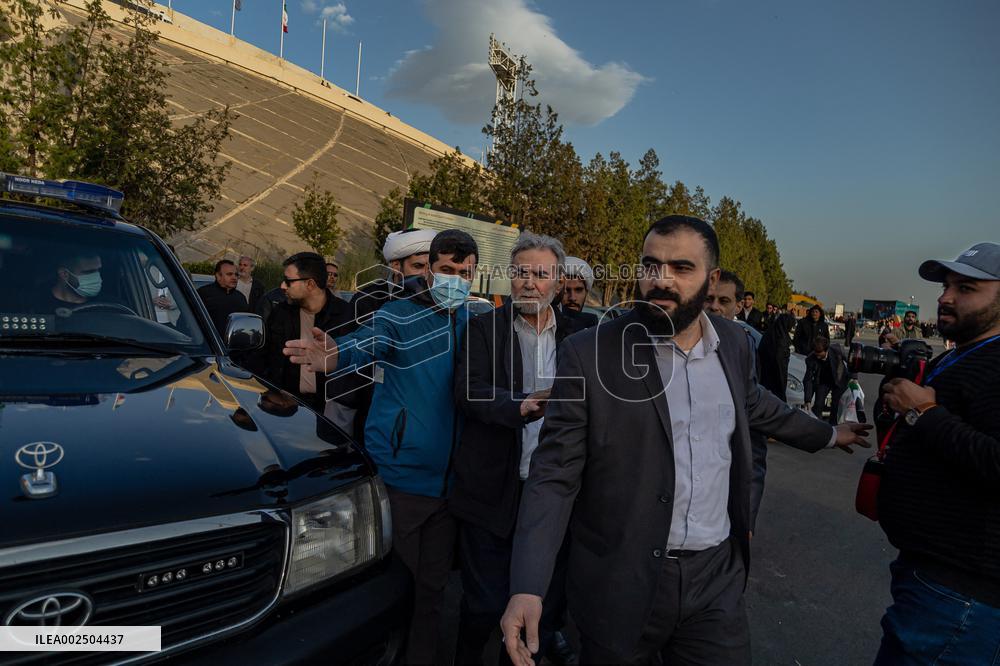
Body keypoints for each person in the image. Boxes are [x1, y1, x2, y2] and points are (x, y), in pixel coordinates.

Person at [499, 215, 871, 666]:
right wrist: (528, 585)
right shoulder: (590, 353)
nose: (661, 280)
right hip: (621, 579)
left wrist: (829, 434)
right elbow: (554, 476)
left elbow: (758, 405)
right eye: (650, 265)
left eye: (681, 267)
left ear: (711, 278)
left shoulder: (733, 343)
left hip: (715, 579)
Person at [284, 230, 478, 666]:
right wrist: (333, 357)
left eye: (466, 273)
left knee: (432, 594)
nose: (457, 280)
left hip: (450, 489)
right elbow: (363, 344)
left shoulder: (474, 323)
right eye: (448, 270)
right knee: (392, 594)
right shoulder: (397, 315)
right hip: (402, 481)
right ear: (429, 269)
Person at [452, 233, 585, 665]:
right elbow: (467, 392)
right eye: (521, 273)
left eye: (540, 274)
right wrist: (519, 406)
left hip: (552, 493)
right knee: (484, 606)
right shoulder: (483, 328)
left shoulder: (583, 337)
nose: (529, 283)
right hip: (492, 490)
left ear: (559, 281)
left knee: (538, 610)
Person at [874, 242, 1000, 665]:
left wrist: (924, 412)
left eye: (966, 288)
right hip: (929, 578)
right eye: (946, 286)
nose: (945, 297)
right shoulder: (965, 354)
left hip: (959, 597)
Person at [251, 252, 358, 431]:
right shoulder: (280, 313)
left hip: (330, 414)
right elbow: (263, 356)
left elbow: (356, 368)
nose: (283, 286)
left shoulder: (347, 315)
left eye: (289, 281)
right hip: (285, 410)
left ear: (310, 284)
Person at [705, 270, 768, 532]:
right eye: (709, 299)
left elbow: (755, 428)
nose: (715, 308)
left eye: (724, 301)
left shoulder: (752, 344)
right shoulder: (677, 341)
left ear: (739, 306)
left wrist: (747, 518)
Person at [351, 227, 436, 322]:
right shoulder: (366, 301)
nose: (425, 274)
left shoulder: (436, 299)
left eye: (429, 268)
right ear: (396, 266)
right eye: (417, 266)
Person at [37, 252, 104, 312]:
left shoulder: (105, 305)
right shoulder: (37, 303)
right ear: (64, 274)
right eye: (88, 272)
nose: (97, 277)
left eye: (98, 271)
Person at [803, 336, 849, 424]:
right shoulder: (810, 359)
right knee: (818, 405)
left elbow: (850, 362)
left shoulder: (836, 350)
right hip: (823, 382)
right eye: (815, 352)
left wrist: (854, 378)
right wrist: (807, 400)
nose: (817, 355)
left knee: (835, 406)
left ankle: (833, 428)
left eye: (819, 352)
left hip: (839, 380)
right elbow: (807, 379)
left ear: (826, 350)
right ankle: (817, 426)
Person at [197, 259, 247, 337]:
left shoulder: (241, 298)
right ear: (218, 276)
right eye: (229, 274)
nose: (234, 277)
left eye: (236, 275)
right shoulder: (203, 294)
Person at [757, 311, 796, 402]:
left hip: (763, 379)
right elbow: (780, 365)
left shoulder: (769, 334)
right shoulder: (781, 340)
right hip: (775, 381)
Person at [558, 256, 599, 328]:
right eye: (566, 290)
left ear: (586, 292)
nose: (572, 298)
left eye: (578, 290)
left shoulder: (591, 326)